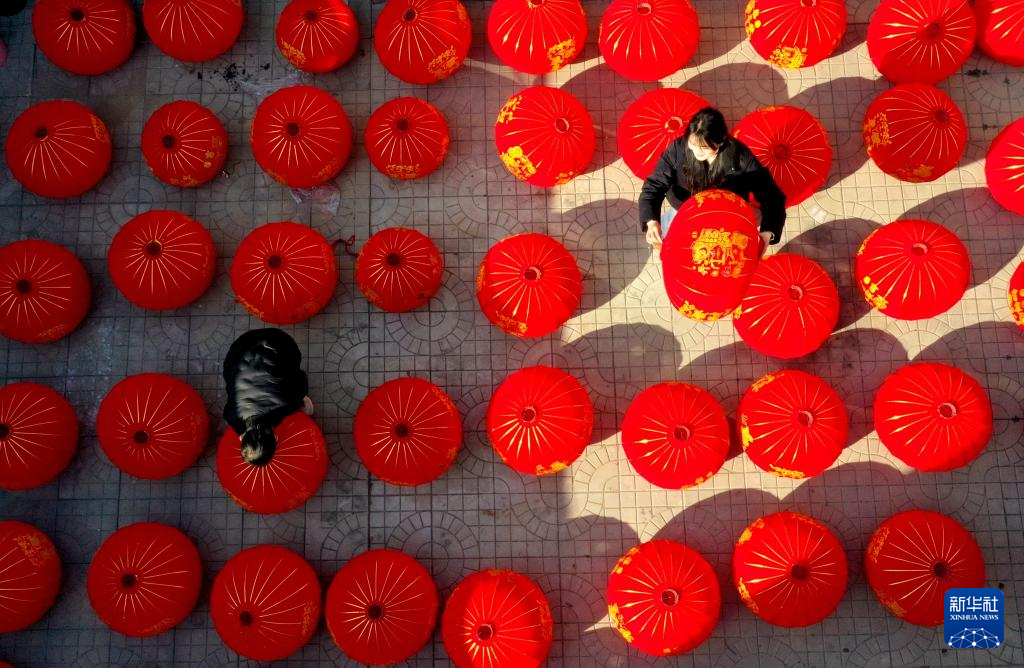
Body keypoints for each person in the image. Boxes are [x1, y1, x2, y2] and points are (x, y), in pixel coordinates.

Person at [639, 107, 786, 253]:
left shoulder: (740, 157)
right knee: (672, 239)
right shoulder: (678, 149)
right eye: (692, 144)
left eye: (704, 147)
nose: (697, 152)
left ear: (721, 141)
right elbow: (654, 185)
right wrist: (651, 221)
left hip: (726, 212)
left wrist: (767, 232)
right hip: (685, 208)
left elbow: (772, 196)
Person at [222, 328, 314, 466]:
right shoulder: (231, 416)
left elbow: (301, 379)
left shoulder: (287, 404)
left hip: (278, 342)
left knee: (295, 387)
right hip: (241, 346)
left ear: (275, 437)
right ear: (242, 438)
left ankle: (303, 399)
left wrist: (298, 396)